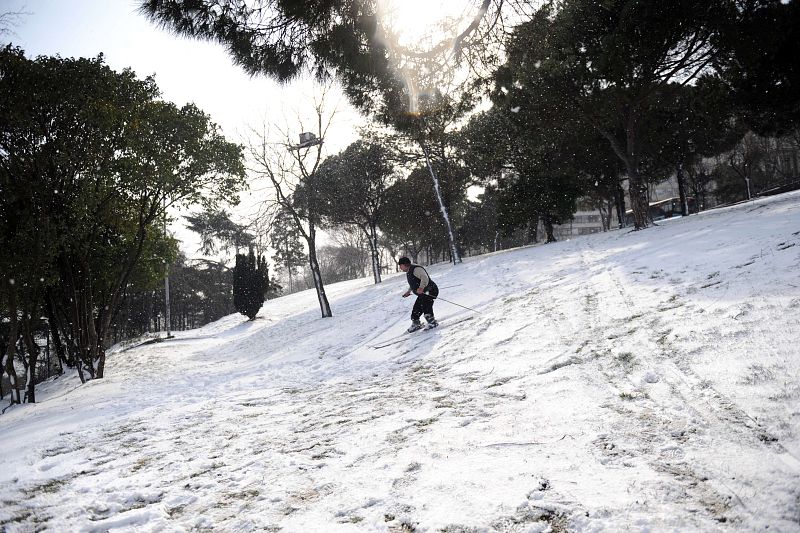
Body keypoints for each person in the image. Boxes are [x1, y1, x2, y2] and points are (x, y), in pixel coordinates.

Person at [398, 256, 439, 332]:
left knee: (426, 305)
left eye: (400, 265)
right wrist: (409, 291)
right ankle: (416, 323)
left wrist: (421, 287)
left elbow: (425, 278)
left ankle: (432, 322)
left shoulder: (416, 269)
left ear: (405, 264)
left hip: (430, 290)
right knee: (416, 308)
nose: (400, 268)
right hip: (423, 293)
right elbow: (413, 283)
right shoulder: (409, 271)